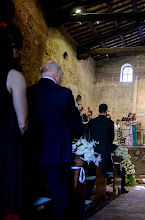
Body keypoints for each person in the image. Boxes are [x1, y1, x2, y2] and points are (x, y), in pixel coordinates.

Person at [26, 61, 84, 220]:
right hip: (57, 157)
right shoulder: (64, 93)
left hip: (32, 157)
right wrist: (81, 148)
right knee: (61, 198)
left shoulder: (29, 92)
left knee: (33, 198)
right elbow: (76, 124)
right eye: (62, 75)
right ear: (57, 74)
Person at [0, 17, 28, 219]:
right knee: (7, 195)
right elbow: (22, 122)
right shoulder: (13, 76)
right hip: (7, 145)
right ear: (11, 48)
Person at [87, 104, 114, 178]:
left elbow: (88, 134)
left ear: (98, 110)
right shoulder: (110, 123)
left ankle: (91, 186)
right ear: (106, 111)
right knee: (104, 169)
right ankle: (103, 184)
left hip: (94, 148)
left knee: (93, 168)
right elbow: (112, 137)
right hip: (105, 149)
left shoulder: (92, 122)